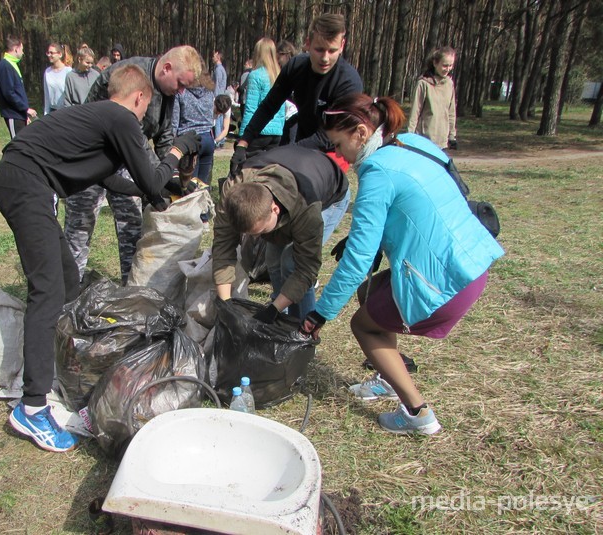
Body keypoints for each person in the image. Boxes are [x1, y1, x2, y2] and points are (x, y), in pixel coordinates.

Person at [0, 64, 201, 452]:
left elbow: (114, 180)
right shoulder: (119, 117)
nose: (140, 120)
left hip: (20, 180)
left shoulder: (97, 119)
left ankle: (63, 359)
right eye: (143, 112)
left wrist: (165, 187)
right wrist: (177, 150)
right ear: (139, 98)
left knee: (69, 279)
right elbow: (149, 177)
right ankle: (33, 408)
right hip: (26, 184)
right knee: (47, 292)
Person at [299, 93, 504, 435]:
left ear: (361, 133)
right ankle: (387, 378)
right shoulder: (412, 144)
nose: (339, 154)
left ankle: (418, 413)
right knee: (370, 294)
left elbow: (358, 260)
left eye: (338, 144)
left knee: (363, 325)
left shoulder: (377, 172)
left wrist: (319, 313)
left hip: (448, 282)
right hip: (473, 264)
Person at [64, 45, 204, 284]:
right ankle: (68, 291)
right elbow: (134, 140)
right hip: (89, 159)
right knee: (80, 227)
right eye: (180, 84)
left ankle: (132, 290)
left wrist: (166, 178)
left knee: (131, 224)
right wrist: (154, 179)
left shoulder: (168, 92)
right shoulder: (131, 76)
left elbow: (163, 135)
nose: (181, 92)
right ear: (167, 68)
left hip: (124, 163)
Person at [213, 144, 351, 320]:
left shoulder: (306, 208)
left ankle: (300, 327)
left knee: (290, 262)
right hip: (287, 175)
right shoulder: (232, 193)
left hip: (330, 195)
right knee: (272, 259)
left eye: (259, 231)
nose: (255, 238)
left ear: (274, 209)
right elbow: (222, 246)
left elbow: (306, 269)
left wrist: (272, 310)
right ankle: (281, 316)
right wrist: (226, 304)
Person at [230, 13, 363, 174]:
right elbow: (269, 106)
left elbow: (327, 137)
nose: (325, 58)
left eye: (332, 50)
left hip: (333, 154)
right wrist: (244, 142)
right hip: (303, 143)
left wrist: (283, 153)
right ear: (308, 43)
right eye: (319, 49)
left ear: (342, 45)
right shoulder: (297, 67)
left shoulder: (348, 82)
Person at [239, 38, 286, 158]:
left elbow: (251, 108)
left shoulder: (255, 75)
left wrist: (243, 136)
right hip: (277, 133)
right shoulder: (280, 75)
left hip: (259, 132)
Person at [408, 46, 458, 150]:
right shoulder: (423, 84)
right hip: (424, 138)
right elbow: (415, 112)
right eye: (444, 65)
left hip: (442, 140)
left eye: (450, 65)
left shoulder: (449, 84)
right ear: (435, 63)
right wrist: (410, 134)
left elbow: (451, 112)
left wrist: (452, 136)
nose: (447, 69)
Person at [171, 73, 215, 183]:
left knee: (188, 188)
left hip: (189, 142)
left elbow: (174, 122)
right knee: (203, 187)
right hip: (208, 139)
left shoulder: (181, 92)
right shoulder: (209, 92)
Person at [0, 35, 37, 138]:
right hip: (13, 114)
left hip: (19, 114)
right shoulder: (5, 65)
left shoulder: (12, 64)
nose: (23, 52)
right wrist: (25, 109)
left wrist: (24, 114)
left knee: (23, 143)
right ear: (15, 49)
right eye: (22, 49)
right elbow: (9, 93)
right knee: (17, 144)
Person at [276, 40, 299, 145]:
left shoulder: (295, 71)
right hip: (284, 116)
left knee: (291, 145)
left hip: (294, 116)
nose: (277, 60)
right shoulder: (283, 71)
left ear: (285, 54)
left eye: (278, 57)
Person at [43, 43, 72, 116]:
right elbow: (47, 95)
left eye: (52, 53)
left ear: (59, 54)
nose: (49, 55)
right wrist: (46, 113)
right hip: (52, 111)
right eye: (48, 53)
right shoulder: (47, 72)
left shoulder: (68, 71)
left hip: (65, 111)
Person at [211, 50, 228, 147]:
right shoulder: (221, 69)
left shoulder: (218, 70)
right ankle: (221, 140)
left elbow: (216, 85)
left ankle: (217, 141)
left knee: (217, 120)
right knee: (220, 120)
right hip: (222, 96)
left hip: (218, 97)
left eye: (214, 56)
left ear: (218, 58)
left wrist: (215, 98)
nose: (212, 58)